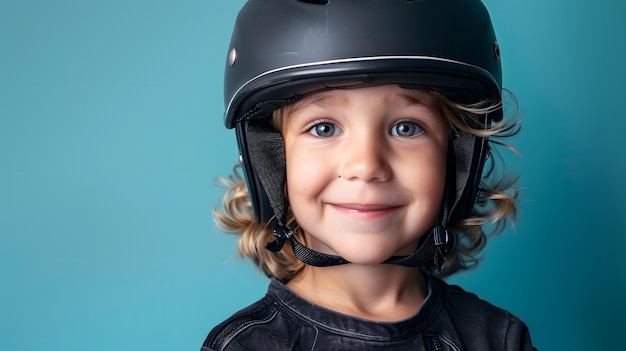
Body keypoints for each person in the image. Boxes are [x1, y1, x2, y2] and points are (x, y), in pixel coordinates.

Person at [202, 0, 535, 350]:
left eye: (406, 128)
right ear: (270, 159)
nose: (366, 166)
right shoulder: (245, 346)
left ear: (458, 157)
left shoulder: (498, 339)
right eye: (325, 128)